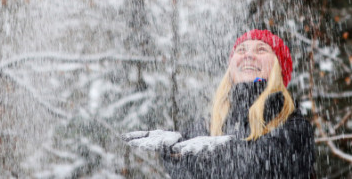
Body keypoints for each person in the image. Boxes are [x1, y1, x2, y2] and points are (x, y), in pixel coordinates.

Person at [126, 29, 315, 178]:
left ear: (278, 69)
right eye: (241, 50)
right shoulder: (204, 127)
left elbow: (248, 172)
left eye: (261, 49)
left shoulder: (294, 129)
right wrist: (171, 152)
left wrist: (196, 155)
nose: (248, 55)